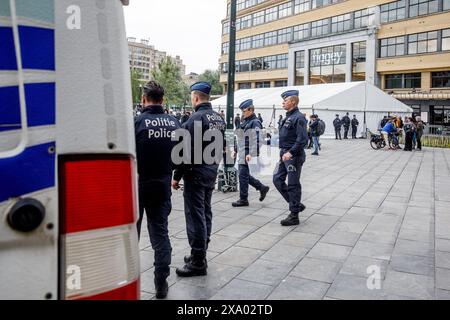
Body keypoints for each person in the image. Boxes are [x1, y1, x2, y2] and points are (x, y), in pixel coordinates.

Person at [172, 82, 226, 277]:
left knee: (195, 216)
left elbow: (185, 151)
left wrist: (176, 176)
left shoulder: (195, 118)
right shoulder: (218, 118)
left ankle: (197, 262)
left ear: (195, 97)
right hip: (210, 170)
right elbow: (223, 146)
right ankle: (200, 254)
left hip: (195, 173)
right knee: (205, 212)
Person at [135, 81, 181, 299]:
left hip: (137, 186)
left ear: (144, 99)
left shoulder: (136, 123)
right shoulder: (174, 123)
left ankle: (127, 279)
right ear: (162, 100)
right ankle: (161, 283)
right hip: (162, 186)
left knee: (130, 235)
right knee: (160, 235)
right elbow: (182, 157)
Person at [273, 90, 308, 226]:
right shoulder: (288, 117)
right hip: (284, 154)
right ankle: (296, 204)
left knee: (293, 184)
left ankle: (294, 215)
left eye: (285, 100)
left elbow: (303, 139)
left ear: (293, 102)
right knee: (276, 179)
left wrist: (291, 152)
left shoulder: (298, 117)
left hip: (293, 156)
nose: (283, 102)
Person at [231, 99, 270, 207]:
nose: (243, 113)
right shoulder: (246, 121)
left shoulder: (255, 122)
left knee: (242, 175)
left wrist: (251, 153)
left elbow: (258, 139)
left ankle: (243, 199)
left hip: (247, 151)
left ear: (251, 110)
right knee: (243, 175)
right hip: (243, 150)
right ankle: (262, 187)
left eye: (244, 111)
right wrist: (235, 149)